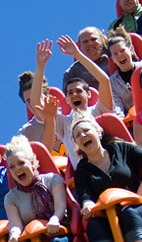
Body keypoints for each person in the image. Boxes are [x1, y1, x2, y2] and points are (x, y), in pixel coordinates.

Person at [72, 115, 142, 242]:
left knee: (129, 213)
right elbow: (84, 195)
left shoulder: (121, 149)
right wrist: (87, 205)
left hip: (135, 207)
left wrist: (140, 192)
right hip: (106, 217)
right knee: (93, 226)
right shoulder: (82, 171)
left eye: (86, 131)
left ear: (99, 132)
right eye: (78, 135)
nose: (83, 136)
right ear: (77, 144)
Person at [3, 136, 77, 242]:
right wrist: (14, 235)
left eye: (21, 163)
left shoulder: (52, 179)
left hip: (58, 231)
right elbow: (15, 224)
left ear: (32, 162)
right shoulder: (11, 197)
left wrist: (55, 219)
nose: (17, 169)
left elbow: (60, 208)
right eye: (12, 167)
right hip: (32, 241)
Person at [30, 36, 114, 167]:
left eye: (79, 91)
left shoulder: (99, 110)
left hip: (110, 165)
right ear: (67, 101)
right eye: (70, 93)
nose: (74, 94)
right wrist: (40, 66)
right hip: (87, 176)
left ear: (89, 94)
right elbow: (35, 102)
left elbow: (104, 81)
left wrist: (77, 54)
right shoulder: (64, 124)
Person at [107, 29, 142, 118]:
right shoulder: (112, 83)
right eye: (115, 54)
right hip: (134, 120)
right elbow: (117, 108)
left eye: (122, 51)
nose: (119, 55)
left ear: (130, 50)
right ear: (112, 59)